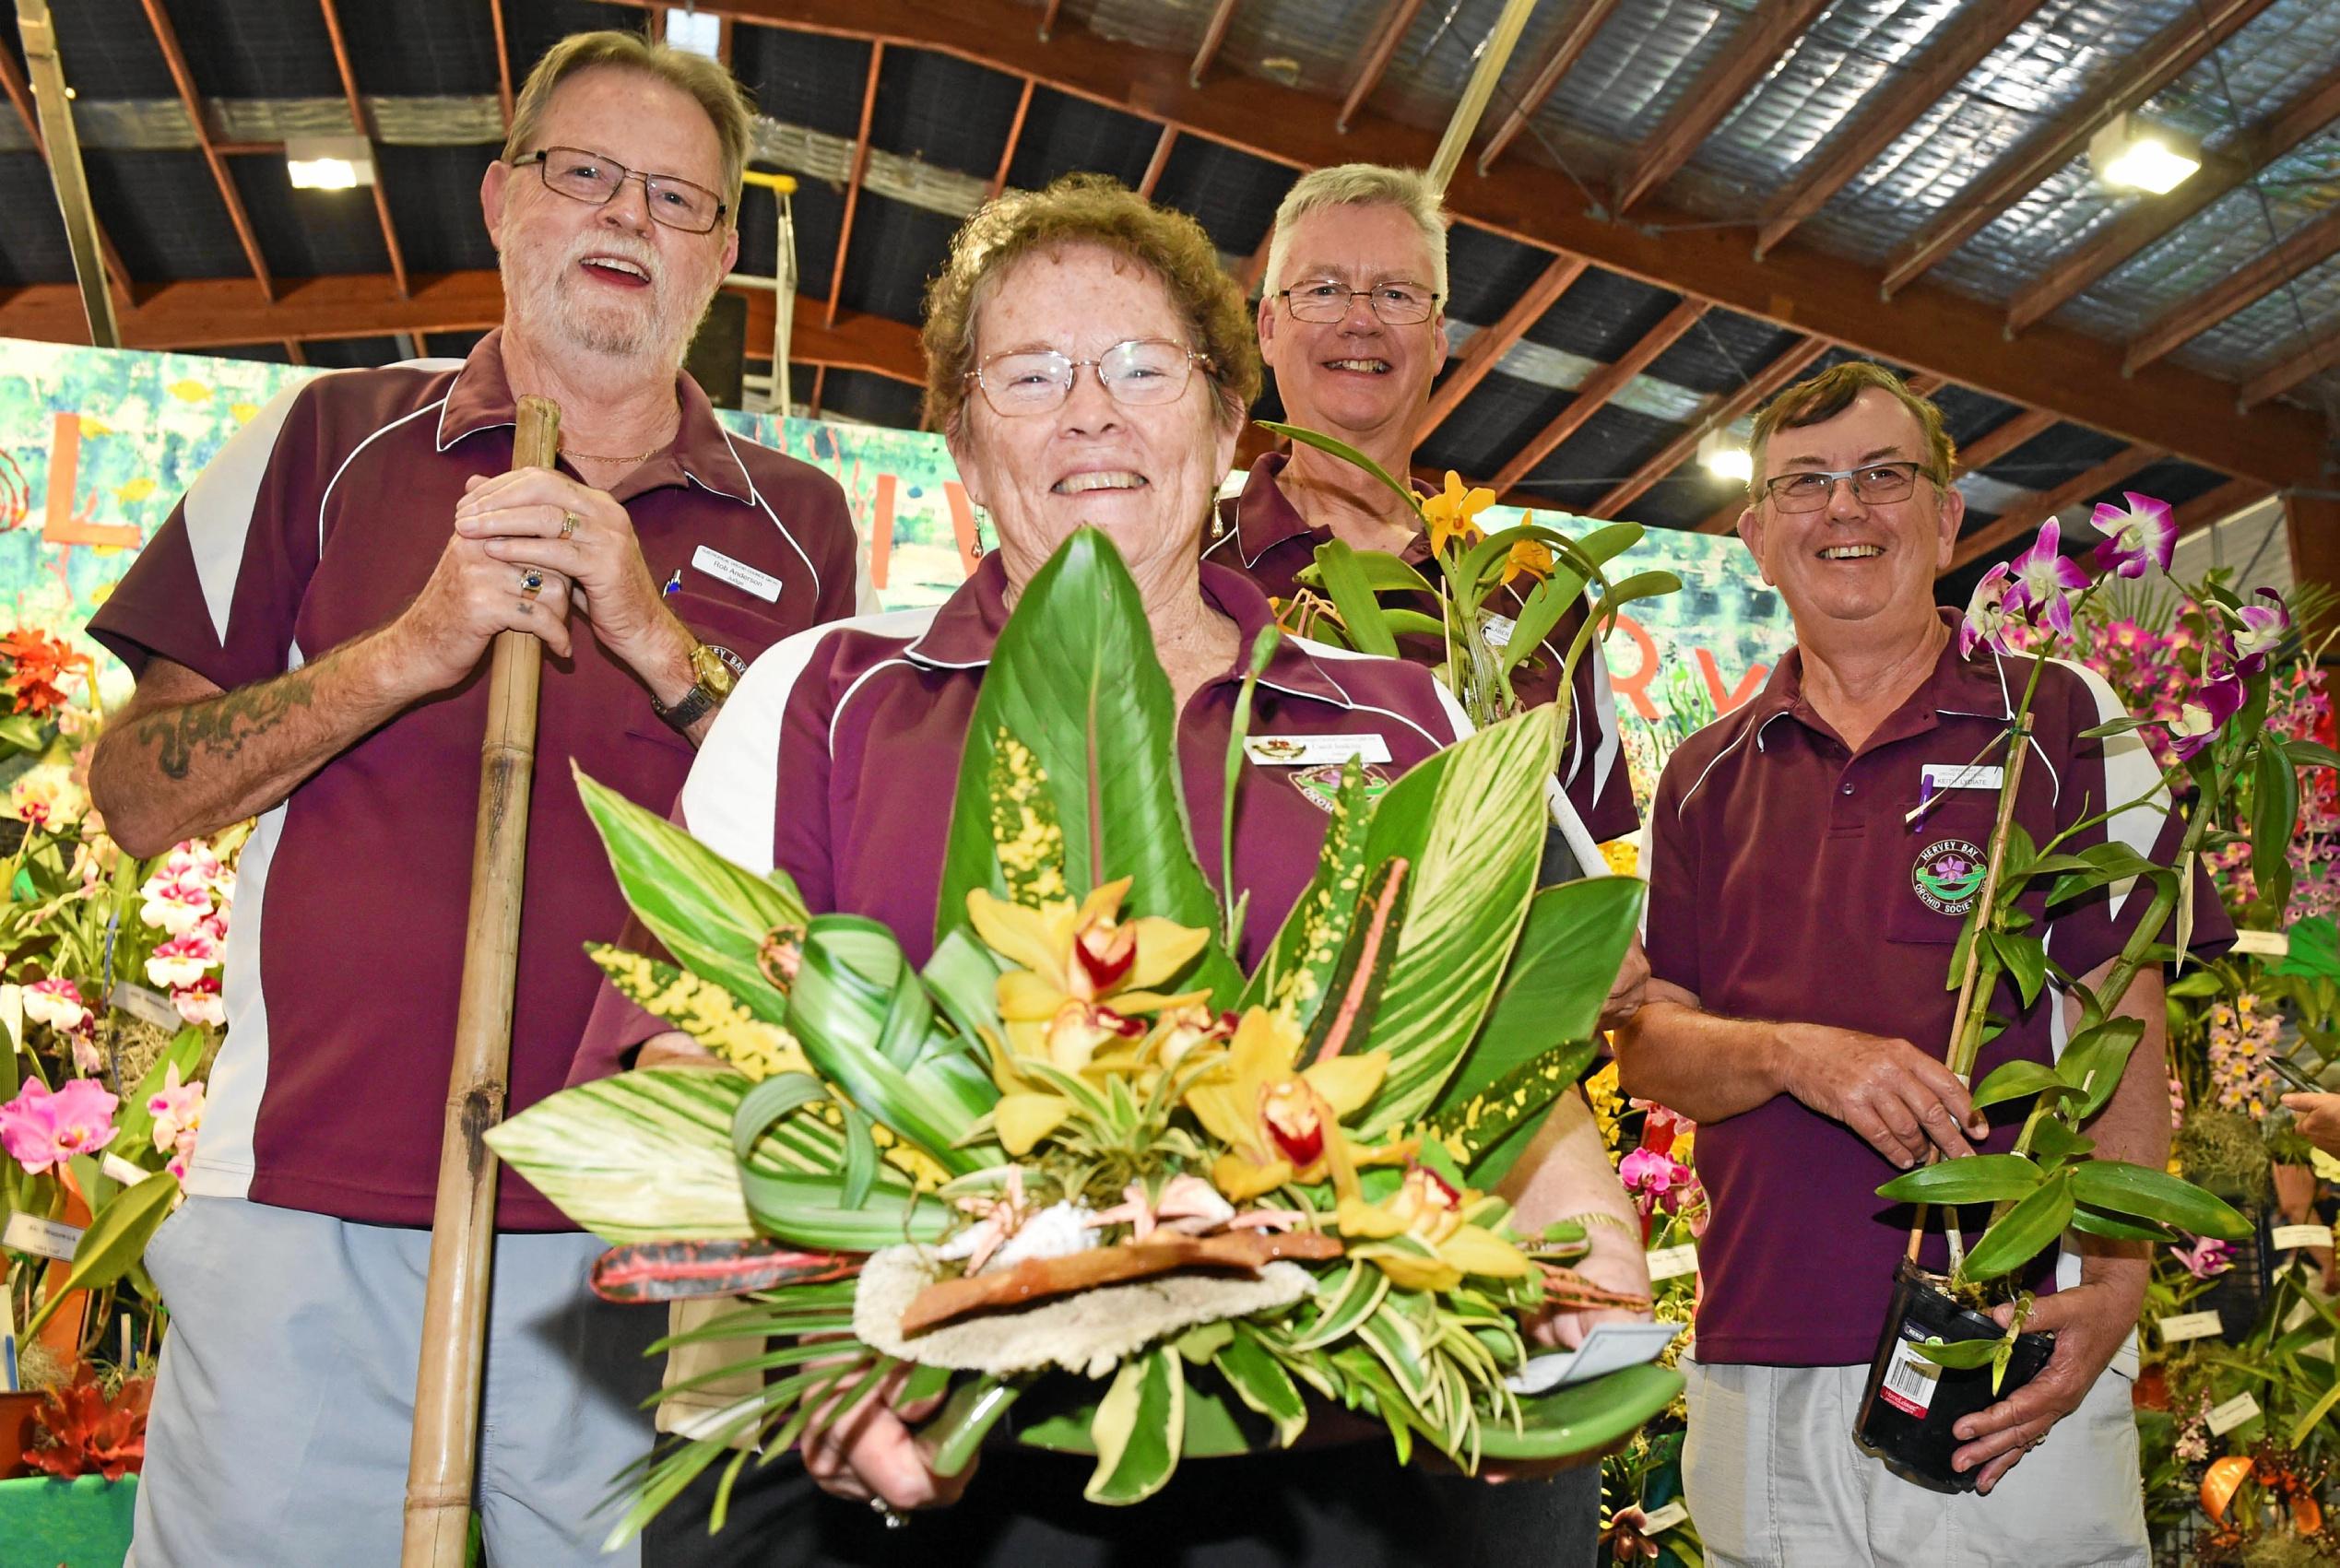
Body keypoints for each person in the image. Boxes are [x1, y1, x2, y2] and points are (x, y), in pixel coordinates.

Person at [573, 173, 1649, 1568]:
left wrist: (1582, 1225)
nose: (1090, 410)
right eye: (1029, 374)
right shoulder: (823, 700)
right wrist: (835, 1304)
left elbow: (1507, 1061)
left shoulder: (1396, 720)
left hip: (1326, 1453)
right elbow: (686, 1053)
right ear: (963, 446)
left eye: (1142, 366)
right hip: (917, 1439)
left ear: (1219, 425)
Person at [85, 31, 861, 1566]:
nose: (627, 220)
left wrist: (653, 637)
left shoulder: (804, 526)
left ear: (718, 259)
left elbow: (832, 867)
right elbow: (135, 794)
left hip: (634, 1238)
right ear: (505, 202)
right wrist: (410, 653)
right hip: (309, 1206)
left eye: (677, 200)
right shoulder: (319, 445)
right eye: (586, 174)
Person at [1614, 362, 2230, 1567]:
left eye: (1881, 476)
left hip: (2001, 1340)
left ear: (1946, 515)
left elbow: (2125, 1012)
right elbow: (1651, 1044)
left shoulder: (2062, 719)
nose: (1843, 510)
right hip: (1758, 1353)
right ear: (1754, 537)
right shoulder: (1698, 773)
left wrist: (2111, 1281)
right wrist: (1798, 1056)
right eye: (1803, 484)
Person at [1210, 164, 1639, 854]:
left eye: (1396, 294)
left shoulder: (1534, 596)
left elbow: (1605, 850)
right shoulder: (1186, 562)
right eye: (1322, 290)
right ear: (1267, 325)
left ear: (1437, 337)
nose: (1360, 320)